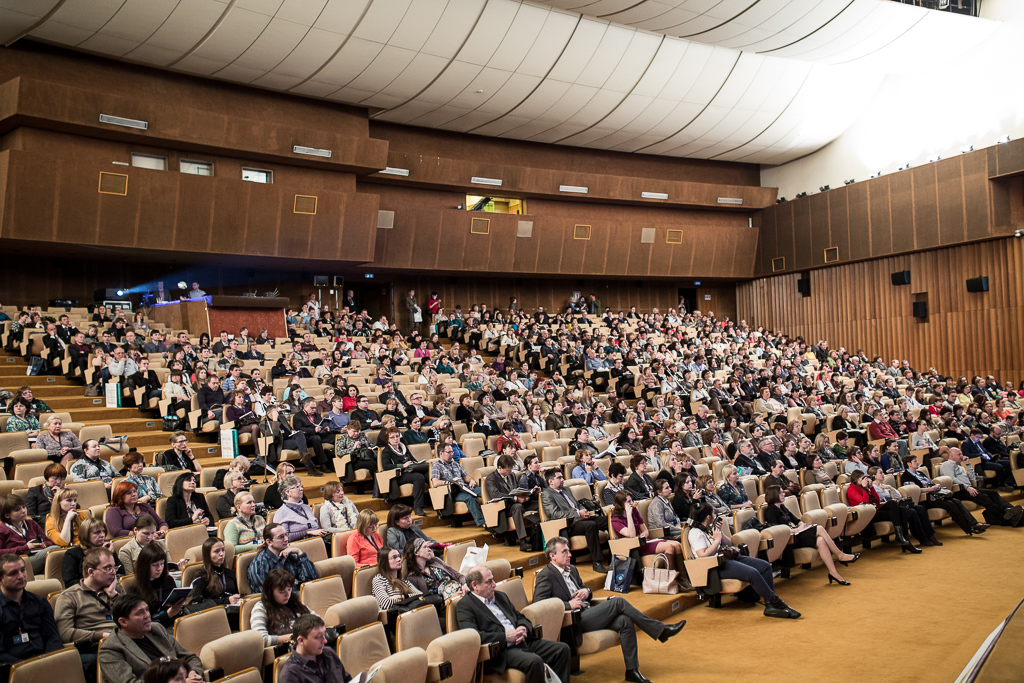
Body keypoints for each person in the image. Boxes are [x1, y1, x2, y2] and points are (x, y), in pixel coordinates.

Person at [533, 537, 683, 683]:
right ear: (552, 556)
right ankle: (660, 630)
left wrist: (586, 591)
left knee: (624, 621)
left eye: (569, 551)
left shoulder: (572, 569)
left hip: (588, 612)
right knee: (618, 603)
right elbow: (539, 604)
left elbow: (584, 589)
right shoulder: (546, 576)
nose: (570, 555)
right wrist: (567, 605)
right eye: (564, 552)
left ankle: (632, 671)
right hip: (573, 622)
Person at [456, 564, 571, 683]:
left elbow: (519, 616)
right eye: (489, 582)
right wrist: (505, 637)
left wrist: (523, 627)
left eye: (493, 580)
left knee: (562, 649)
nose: (494, 584)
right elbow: (473, 637)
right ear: (475, 585)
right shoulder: (465, 606)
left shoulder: (500, 596)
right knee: (534, 661)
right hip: (501, 652)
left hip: (522, 641)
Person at [687, 504, 799, 619]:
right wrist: (717, 540)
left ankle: (770, 604)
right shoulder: (695, 533)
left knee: (765, 566)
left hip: (726, 558)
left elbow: (729, 543)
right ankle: (775, 602)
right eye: (713, 514)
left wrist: (720, 534)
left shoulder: (709, 528)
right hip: (714, 566)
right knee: (753, 573)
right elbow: (703, 555)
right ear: (708, 517)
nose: (715, 516)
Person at [98, 592, 203, 683]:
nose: (147, 616)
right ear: (123, 622)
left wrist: (192, 673)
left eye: (147, 610)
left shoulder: (156, 629)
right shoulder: (110, 650)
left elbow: (190, 657)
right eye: (140, 613)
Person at [762, 485, 857, 585]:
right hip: (789, 541)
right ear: (773, 495)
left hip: (796, 534)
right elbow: (779, 531)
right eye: (781, 492)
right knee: (819, 528)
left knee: (821, 540)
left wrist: (801, 524)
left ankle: (834, 573)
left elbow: (796, 520)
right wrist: (797, 529)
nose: (784, 494)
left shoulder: (782, 507)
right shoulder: (770, 511)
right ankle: (840, 555)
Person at [55, 547, 126, 675]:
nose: (113, 573)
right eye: (108, 568)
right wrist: (101, 635)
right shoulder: (69, 596)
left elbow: (132, 616)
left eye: (114, 568)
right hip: (95, 646)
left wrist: (113, 595)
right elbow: (64, 633)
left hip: (123, 640)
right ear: (91, 572)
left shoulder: (116, 588)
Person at [0, 552, 62, 676]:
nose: (21, 576)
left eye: (23, 570)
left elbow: (53, 637)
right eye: (13, 573)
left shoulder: (40, 602)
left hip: (45, 662)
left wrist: (49, 661)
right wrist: (28, 668)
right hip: (13, 669)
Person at [609, 491, 686, 584]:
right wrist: (628, 515)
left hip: (644, 541)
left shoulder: (634, 511)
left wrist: (642, 535)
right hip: (634, 548)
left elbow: (646, 531)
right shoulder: (616, 520)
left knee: (677, 545)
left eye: (631, 500)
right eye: (629, 502)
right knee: (669, 546)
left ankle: (683, 579)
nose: (632, 503)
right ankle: (672, 581)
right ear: (622, 504)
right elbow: (632, 534)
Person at [541, 469, 608, 573]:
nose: (562, 479)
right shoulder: (547, 494)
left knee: (608, 520)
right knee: (591, 525)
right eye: (559, 478)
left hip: (580, 518)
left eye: (562, 477)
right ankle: (597, 562)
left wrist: (582, 510)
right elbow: (554, 514)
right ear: (550, 481)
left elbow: (576, 504)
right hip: (569, 524)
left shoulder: (566, 489)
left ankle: (616, 555)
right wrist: (577, 513)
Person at [901, 455, 988, 536]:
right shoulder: (906, 476)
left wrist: (935, 486)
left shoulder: (920, 473)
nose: (917, 462)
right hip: (926, 500)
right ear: (909, 464)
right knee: (950, 504)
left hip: (935, 495)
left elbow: (929, 483)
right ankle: (970, 528)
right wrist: (930, 489)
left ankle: (974, 524)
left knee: (956, 501)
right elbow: (913, 490)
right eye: (915, 461)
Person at [940, 447, 1024, 526]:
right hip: (959, 491)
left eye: (961, 453)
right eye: (959, 454)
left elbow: (972, 478)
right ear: (951, 456)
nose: (962, 456)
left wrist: (968, 465)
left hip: (970, 488)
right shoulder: (946, 465)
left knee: (993, 493)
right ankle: (1005, 518)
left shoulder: (960, 467)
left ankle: (1008, 509)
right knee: (985, 498)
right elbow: (951, 479)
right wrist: (967, 487)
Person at [845, 470, 922, 552]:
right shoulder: (852, 489)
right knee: (897, 509)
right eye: (862, 478)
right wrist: (865, 488)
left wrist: (871, 488)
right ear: (856, 479)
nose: (865, 480)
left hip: (874, 511)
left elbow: (877, 501)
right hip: (866, 515)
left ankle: (903, 540)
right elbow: (865, 503)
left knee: (899, 509)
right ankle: (903, 541)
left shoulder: (864, 487)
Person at [485, 454, 539, 551]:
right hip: (505, 507)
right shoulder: (491, 479)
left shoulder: (512, 475)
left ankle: (538, 536)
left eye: (511, 470)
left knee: (539, 503)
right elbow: (496, 495)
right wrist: (515, 499)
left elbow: (517, 489)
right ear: (500, 468)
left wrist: (529, 493)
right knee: (517, 507)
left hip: (519, 502)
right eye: (508, 470)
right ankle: (522, 541)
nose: (510, 472)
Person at [251, 567, 314, 647]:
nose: (287, 595)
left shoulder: (293, 602)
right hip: (285, 649)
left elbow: (316, 619)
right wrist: (294, 637)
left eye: (289, 589)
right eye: (281, 592)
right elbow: (261, 640)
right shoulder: (261, 608)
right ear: (270, 592)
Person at [247, 523, 318, 593]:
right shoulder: (260, 564)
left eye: (286, 535)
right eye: (281, 537)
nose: (286, 539)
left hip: (297, 597)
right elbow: (268, 594)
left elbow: (311, 578)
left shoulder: (288, 555)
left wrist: (299, 553)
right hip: (279, 602)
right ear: (269, 542)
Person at [431, 442, 486, 526]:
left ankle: (492, 517)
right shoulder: (437, 466)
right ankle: (482, 522)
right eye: (449, 452)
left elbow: (466, 476)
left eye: (452, 452)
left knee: (484, 491)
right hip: (453, 492)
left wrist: (471, 480)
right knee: (469, 498)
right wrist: (448, 483)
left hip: (464, 487)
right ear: (441, 453)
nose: (452, 454)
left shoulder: (455, 464)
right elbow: (435, 483)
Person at [134, 542, 187, 627]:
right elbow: (143, 623)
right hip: (156, 629)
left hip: (175, 621)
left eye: (162, 564)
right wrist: (168, 614)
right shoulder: (135, 590)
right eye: (154, 565)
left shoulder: (168, 580)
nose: (159, 568)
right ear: (145, 566)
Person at [0, 495, 55, 574]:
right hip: (15, 563)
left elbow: (49, 542)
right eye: (17, 509)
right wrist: (25, 547)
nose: (23, 511)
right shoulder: (2, 529)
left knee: (56, 552)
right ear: (7, 515)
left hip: (35, 556)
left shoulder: (31, 523)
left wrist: (43, 544)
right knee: (53, 550)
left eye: (24, 507)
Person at [63, 518, 125, 587]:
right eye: (97, 532)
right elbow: (70, 582)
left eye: (103, 531)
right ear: (86, 534)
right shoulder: (72, 554)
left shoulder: (107, 549)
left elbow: (121, 574)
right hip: (85, 592)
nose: (102, 535)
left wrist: (111, 554)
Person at [381, 428, 428, 515]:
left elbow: (413, 459)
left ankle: (434, 503)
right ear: (388, 439)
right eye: (392, 437)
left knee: (427, 474)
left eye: (397, 436)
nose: (396, 439)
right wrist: (402, 466)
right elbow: (386, 466)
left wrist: (416, 463)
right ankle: (418, 507)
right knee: (419, 477)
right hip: (397, 475)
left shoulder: (404, 447)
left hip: (409, 471)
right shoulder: (386, 451)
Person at [402, 537, 467, 600]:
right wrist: (450, 599)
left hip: (461, 591)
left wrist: (465, 584)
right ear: (416, 552)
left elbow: (458, 575)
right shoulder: (413, 577)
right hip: (446, 604)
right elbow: (424, 601)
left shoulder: (436, 561)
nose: (429, 550)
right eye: (425, 547)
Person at [275, 475, 329, 541]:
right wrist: (307, 533)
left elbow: (316, 528)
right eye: (297, 487)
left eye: (301, 486)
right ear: (287, 492)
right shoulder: (281, 513)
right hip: (297, 546)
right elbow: (284, 538)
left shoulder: (306, 508)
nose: (301, 489)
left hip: (317, 541)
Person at [195, 537, 241, 609]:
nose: (221, 554)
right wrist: (226, 601)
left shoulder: (229, 573)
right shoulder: (201, 575)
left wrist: (237, 598)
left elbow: (236, 593)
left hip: (232, 610)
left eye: (223, 550)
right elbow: (197, 602)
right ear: (208, 555)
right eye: (216, 551)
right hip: (214, 613)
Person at [26, 463, 69, 527]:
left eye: (61, 479)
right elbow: (31, 515)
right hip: (43, 525)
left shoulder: (64, 492)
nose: (58, 482)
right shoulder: (35, 491)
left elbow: (76, 507)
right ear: (47, 478)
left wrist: (61, 496)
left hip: (64, 523)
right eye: (55, 478)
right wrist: (51, 520)